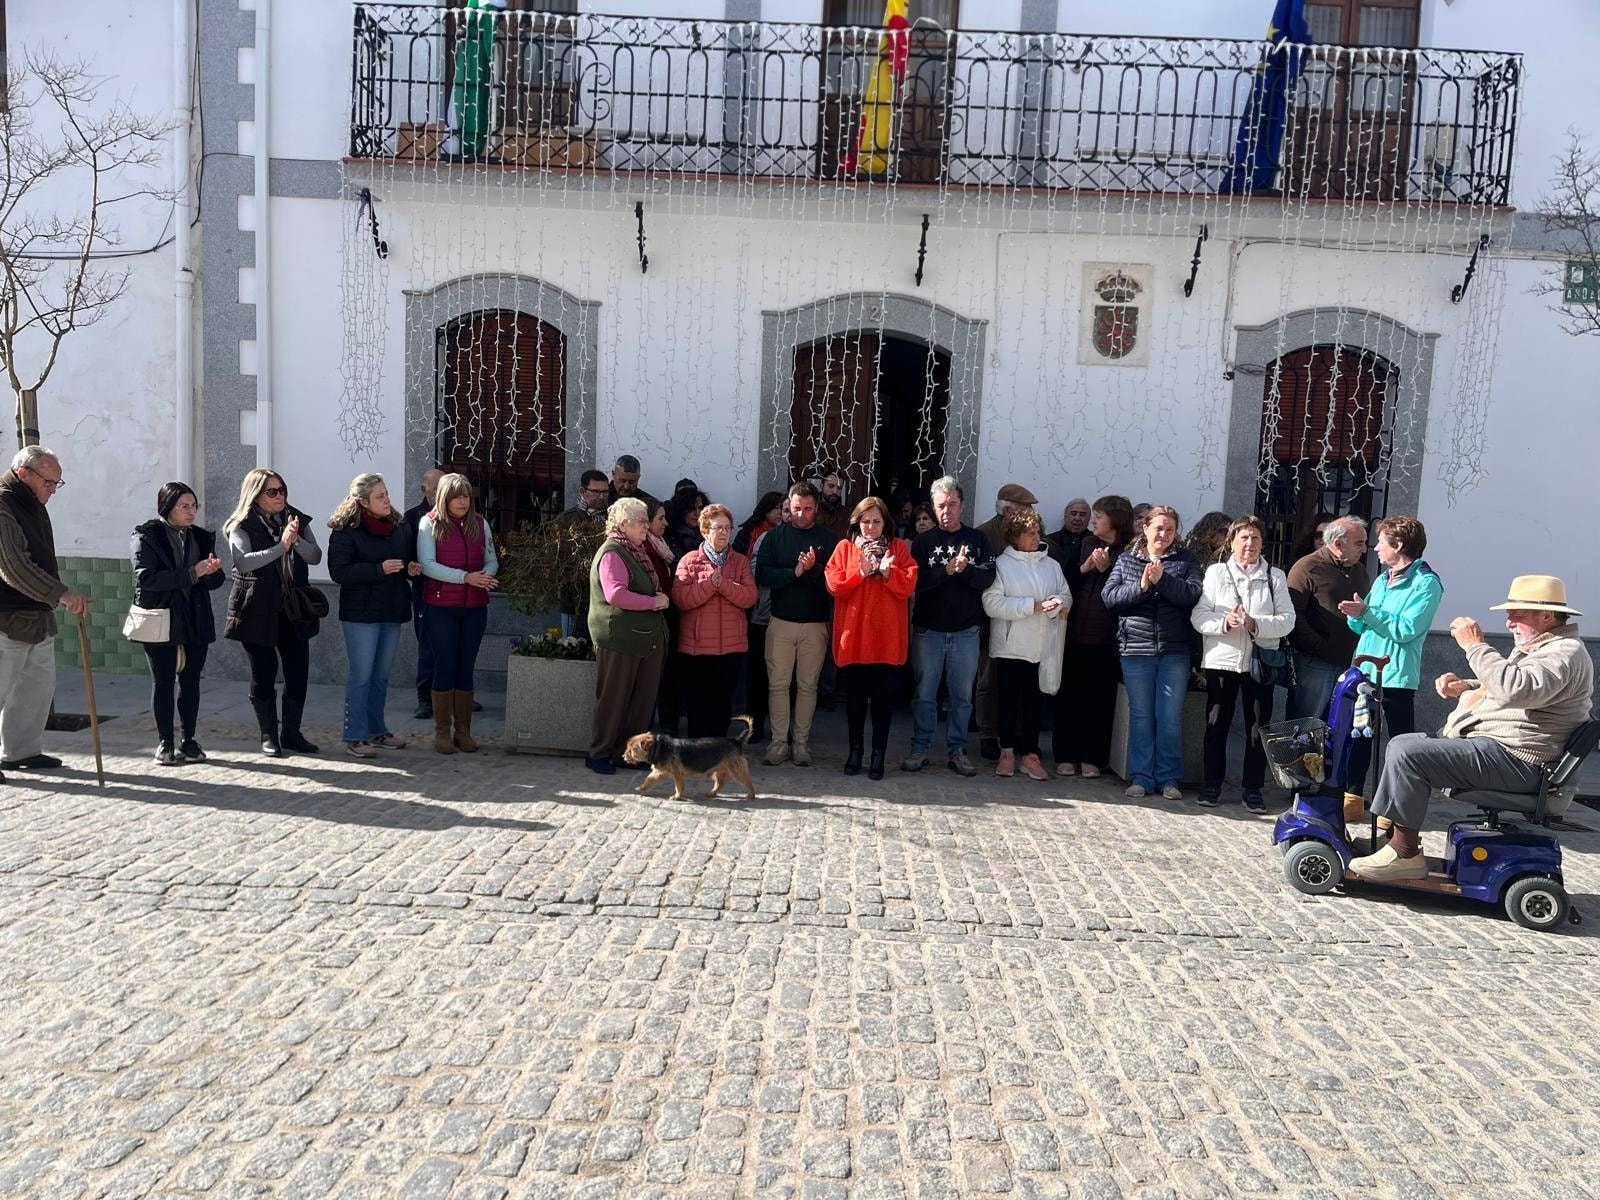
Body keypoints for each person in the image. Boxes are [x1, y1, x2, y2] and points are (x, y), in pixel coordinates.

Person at [1349, 575, 1594, 882]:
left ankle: (1404, 853)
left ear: (1546, 616)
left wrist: (1474, 646)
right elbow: (1517, 687)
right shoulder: (1545, 647)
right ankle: (1393, 840)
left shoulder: (1564, 652)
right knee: (1405, 743)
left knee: (1408, 753)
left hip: (1521, 761)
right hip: (1507, 753)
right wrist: (1468, 687)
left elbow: (1515, 688)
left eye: (1517, 615)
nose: (1509, 623)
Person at [1338, 516, 1444, 820]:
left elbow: (1408, 629)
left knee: (1400, 744)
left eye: (1381, 542)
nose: (1375, 548)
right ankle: (1352, 798)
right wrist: (1356, 614)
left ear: (1397, 545)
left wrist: (1367, 613)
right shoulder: (1383, 579)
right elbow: (1363, 625)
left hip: (1396, 673)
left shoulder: (1426, 583)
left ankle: (1395, 806)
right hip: (1366, 670)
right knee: (1360, 735)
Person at [1190, 515, 1295, 813]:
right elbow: (1199, 616)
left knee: (1257, 727)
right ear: (1232, 542)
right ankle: (1212, 784)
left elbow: (1287, 620)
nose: (1249, 543)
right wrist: (1225, 621)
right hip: (1222, 661)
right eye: (1243, 538)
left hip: (1260, 662)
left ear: (1263, 542)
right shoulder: (1216, 572)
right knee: (1216, 724)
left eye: (1255, 538)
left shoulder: (1275, 576)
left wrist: (1255, 624)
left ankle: (1253, 789)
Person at [1102, 505, 1202, 799]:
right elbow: (1110, 597)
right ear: (1145, 528)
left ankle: (1168, 778)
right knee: (1142, 716)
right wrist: (1143, 585)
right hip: (1136, 649)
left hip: (1174, 650)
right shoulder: (1126, 560)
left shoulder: (1185, 560)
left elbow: (1192, 594)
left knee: (1169, 717)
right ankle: (1142, 777)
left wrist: (1163, 580)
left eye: (1170, 529)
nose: (1164, 534)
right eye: (1158, 528)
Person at [0, 448, 89, 778]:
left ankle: (21, 751)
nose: (53, 489)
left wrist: (54, 594)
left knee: (35, 689)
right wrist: (60, 593)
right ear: (24, 474)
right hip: (5, 615)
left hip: (36, 614)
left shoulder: (33, 504)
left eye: (56, 483)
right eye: (48, 482)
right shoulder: (3, 505)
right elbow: (13, 567)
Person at [224, 468, 324, 757]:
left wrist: (295, 539)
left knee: (298, 673)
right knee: (263, 674)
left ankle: (292, 733)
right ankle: (268, 735)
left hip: (294, 608)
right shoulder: (241, 524)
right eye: (272, 492)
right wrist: (281, 546)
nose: (280, 496)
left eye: (282, 490)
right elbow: (243, 562)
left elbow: (315, 556)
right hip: (256, 607)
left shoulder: (295, 518)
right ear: (256, 495)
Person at [903, 476, 995, 777]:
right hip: (928, 631)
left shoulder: (977, 540)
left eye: (952, 504)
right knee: (924, 694)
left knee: (962, 698)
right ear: (933, 507)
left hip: (965, 632)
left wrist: (965, 570)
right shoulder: (923, 542)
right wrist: (946, 570)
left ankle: (958, 750)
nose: (947, 511)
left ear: (962, 505)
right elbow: (915, 582)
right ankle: (920, 748)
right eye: (941, 505)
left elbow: (988, 578)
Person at [130, 482, 226, 765]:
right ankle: (165, 742)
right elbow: (146, 578)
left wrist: (211, 572)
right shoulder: (147, 536)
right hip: (161, 616)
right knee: (163, 682)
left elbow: (213, 582)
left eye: (194, 505)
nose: (191, 511)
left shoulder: (200, 536)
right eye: (184, 506)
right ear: (167, 507)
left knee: (191, 680)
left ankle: (189, 740)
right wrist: (192, 573)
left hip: (195, 616)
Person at [328, 473, 420, 759]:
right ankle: (355, 736)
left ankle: (376, 730)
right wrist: (378, 569)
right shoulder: (345, 530)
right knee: (362, 676)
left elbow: (404, 560)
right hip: (361, 613)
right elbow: (339, 572)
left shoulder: (398, 525)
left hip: (392, 608)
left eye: (386, 493)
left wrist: (410, 569)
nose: (387, 500)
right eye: (380, 496)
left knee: (381, 676)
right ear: (363, 502)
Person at [825, 496, 917, 779]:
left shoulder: (898, 548)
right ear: (857, 522)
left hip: (886, 639)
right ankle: (855, 752)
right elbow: (834, 585)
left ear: (885, 523)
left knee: (882, 703)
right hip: (855, 638)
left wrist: (889, 572)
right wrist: (859, 573)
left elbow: (909, 584)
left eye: (876, 521)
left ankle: (878, 755)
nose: (871, 526)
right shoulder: (844, 548)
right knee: (854, 701)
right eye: (866, 521)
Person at [755, 482, 841, 767]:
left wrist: (813, 569)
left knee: (808, 686)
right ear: (787, 508)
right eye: (796, 509)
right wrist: (794, 572)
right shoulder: (774, 537)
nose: (801, 514)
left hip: (815, 624)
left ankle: (801, 743)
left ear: (816, 508)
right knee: (778, 685)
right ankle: (779, 743)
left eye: (807, 509)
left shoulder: (829, 539)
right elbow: (763, 574)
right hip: (780, 621)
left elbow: (835, 581)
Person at [983, 508, 1071, 782]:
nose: (1036, 537)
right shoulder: (1002, 564)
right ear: (1014, 536)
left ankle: (1031, 755)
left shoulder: (1051, 565)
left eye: (1037, 532)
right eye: (1029, 533)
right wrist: (1032, 606)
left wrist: (1057, 603)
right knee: (1008, 701)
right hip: (1010, 647)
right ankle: (1007, 752)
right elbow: (991, 603)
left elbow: (1066, 595)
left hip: (1041, 645)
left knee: (1035, 703)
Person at [586, 497, 670, 774]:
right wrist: (653, 603)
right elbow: (616, 594)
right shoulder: (613, 552)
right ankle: (599, 753)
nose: (646, 525)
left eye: (646, 520)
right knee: (614, 698)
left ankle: (629, 755)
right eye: (640, 521)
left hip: (644, 637)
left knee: (641, 700)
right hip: (620, 638)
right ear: (623, 525)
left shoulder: (636, 550)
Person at [417, 472, 499, 754]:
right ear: (444, 498)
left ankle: (463, 731)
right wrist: (466, 578)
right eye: (456, 497)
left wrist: (486, 575)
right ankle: (442, 731)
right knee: (445, 666)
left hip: (474, 608)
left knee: (466, 668)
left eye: (466, 496)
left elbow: (491, 559)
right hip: (441, 608)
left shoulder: (480, 523)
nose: (463, 501)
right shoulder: (429, 523)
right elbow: (428, 565)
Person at [1052, 494, 1132, 778]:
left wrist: (1108, 569)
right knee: (1069, 698)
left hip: (1106, 640)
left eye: (1098, 516)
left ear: (1115, 520)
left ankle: (1092, 757)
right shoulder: (1087, 543)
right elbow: (1063, 582)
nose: (1093, 521)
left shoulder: (1129, 550)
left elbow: (1127, 593)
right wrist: (1084, 568)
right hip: (1075, 635)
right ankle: (1065, 754)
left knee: (1098, 701)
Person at [674, 504, 757, 737]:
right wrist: (710, 585)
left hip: (731, 648)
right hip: (697, 648)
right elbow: (681, 599)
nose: (724, 532)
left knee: (723, 705)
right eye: (717, 527)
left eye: (727, 527)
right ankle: (697, 751)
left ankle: (718, 750)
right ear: (704, 530)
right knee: (698, 705)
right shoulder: (689, 561)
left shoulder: (740, 562)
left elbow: (750, 597)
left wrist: (724, 585)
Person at [973, 483, 1039, 759]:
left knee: (1020, 685)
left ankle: (1017, 735)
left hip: (1023, 622)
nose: (1032, 513)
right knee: (988, 680)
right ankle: (988, 734)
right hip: (988, 618)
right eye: (1026, 508)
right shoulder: (983, 534)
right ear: (1009, 510)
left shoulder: (1032, 533)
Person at [1286, 517, 1370, 723]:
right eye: (1359, 543)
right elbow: (1293, 616)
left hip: (1350, 663)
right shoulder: (1307, 567)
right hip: (1316, 664)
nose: (1364, 549)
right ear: (1338, 544)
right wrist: (1321, 648)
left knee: (1339, 725)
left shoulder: (1359, 570)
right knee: (1308, 726)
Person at [743, 496, 789, 743]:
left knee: (787, 677)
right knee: (758, 674)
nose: (789, 514)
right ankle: (755, 725)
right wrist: (785, 573)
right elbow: (754, 571)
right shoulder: (766, 538)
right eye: (786, 510)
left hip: (791, 617)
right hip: (763, 615)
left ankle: (784, 729)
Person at [403, 466, 444, 719]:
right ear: (424, 489)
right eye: (436, 487)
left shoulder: (456, 515)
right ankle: (425, 697)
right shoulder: (412, 517)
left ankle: (453, 694)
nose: (441, 492)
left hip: (452, 589)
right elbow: (404, 555)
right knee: (428, 644)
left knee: (454, 644)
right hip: (425, 590)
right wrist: (411, 568)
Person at [553, 469, 613, 636]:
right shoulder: (566, 520)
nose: (601, 496)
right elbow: (558, 560)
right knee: (573, 646)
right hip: (575, 601)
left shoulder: (612, 519)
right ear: (582, 491)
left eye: (605, 492)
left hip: (606, 601)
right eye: (596, 492)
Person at [1047, 497, 1091, 575]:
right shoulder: (1050, 541)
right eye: (1073, 514)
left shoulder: (1096, 542)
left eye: (1082, 515)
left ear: (1089, 519)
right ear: (1065, 516)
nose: (1077, 518)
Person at [733, 491, 784, 557]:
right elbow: (735, 558)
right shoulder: (747, 532)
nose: (780, 512)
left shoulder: (786, 532)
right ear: (766, 508)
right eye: (776, 508)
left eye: (783, 508)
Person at [664, 488, 709, 560]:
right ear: (680, 510)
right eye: (691, 509)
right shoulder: (671, 536)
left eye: (700, 508)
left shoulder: (710, 534)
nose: (697, 513)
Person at [817, 470, 851, 537]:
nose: (835, 491)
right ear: (821, 486)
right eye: (831, 486)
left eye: (839, 488)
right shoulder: (811, 510)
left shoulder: (847, 514)